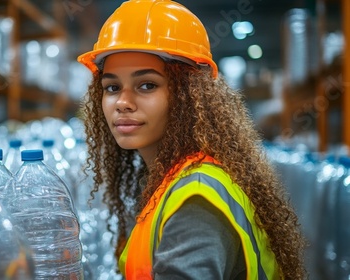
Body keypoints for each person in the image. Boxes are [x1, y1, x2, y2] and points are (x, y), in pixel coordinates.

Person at [77, 0, 306, 279]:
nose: (122, 102)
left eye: (147, 85)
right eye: (112, 87)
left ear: (190, 96)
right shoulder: (173, 180)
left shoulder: (195, 199)